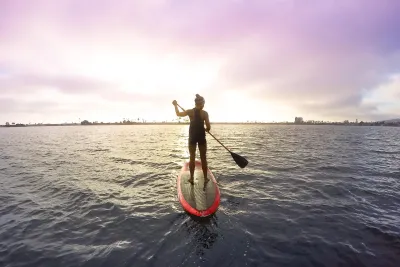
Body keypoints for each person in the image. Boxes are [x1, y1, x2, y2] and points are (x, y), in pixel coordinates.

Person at [172, 94, 211, 188]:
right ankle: (205, 178)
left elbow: (178, 114)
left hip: (192, 138)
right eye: (203, 103)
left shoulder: (190, 112)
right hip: (201, 138)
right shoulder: (205, 113)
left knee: (192, 158)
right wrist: (207, 129)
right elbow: (208, 127)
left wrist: (175, 105)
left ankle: (192, 178)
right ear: (201, 103)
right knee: (203, 158)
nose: (203, 105)